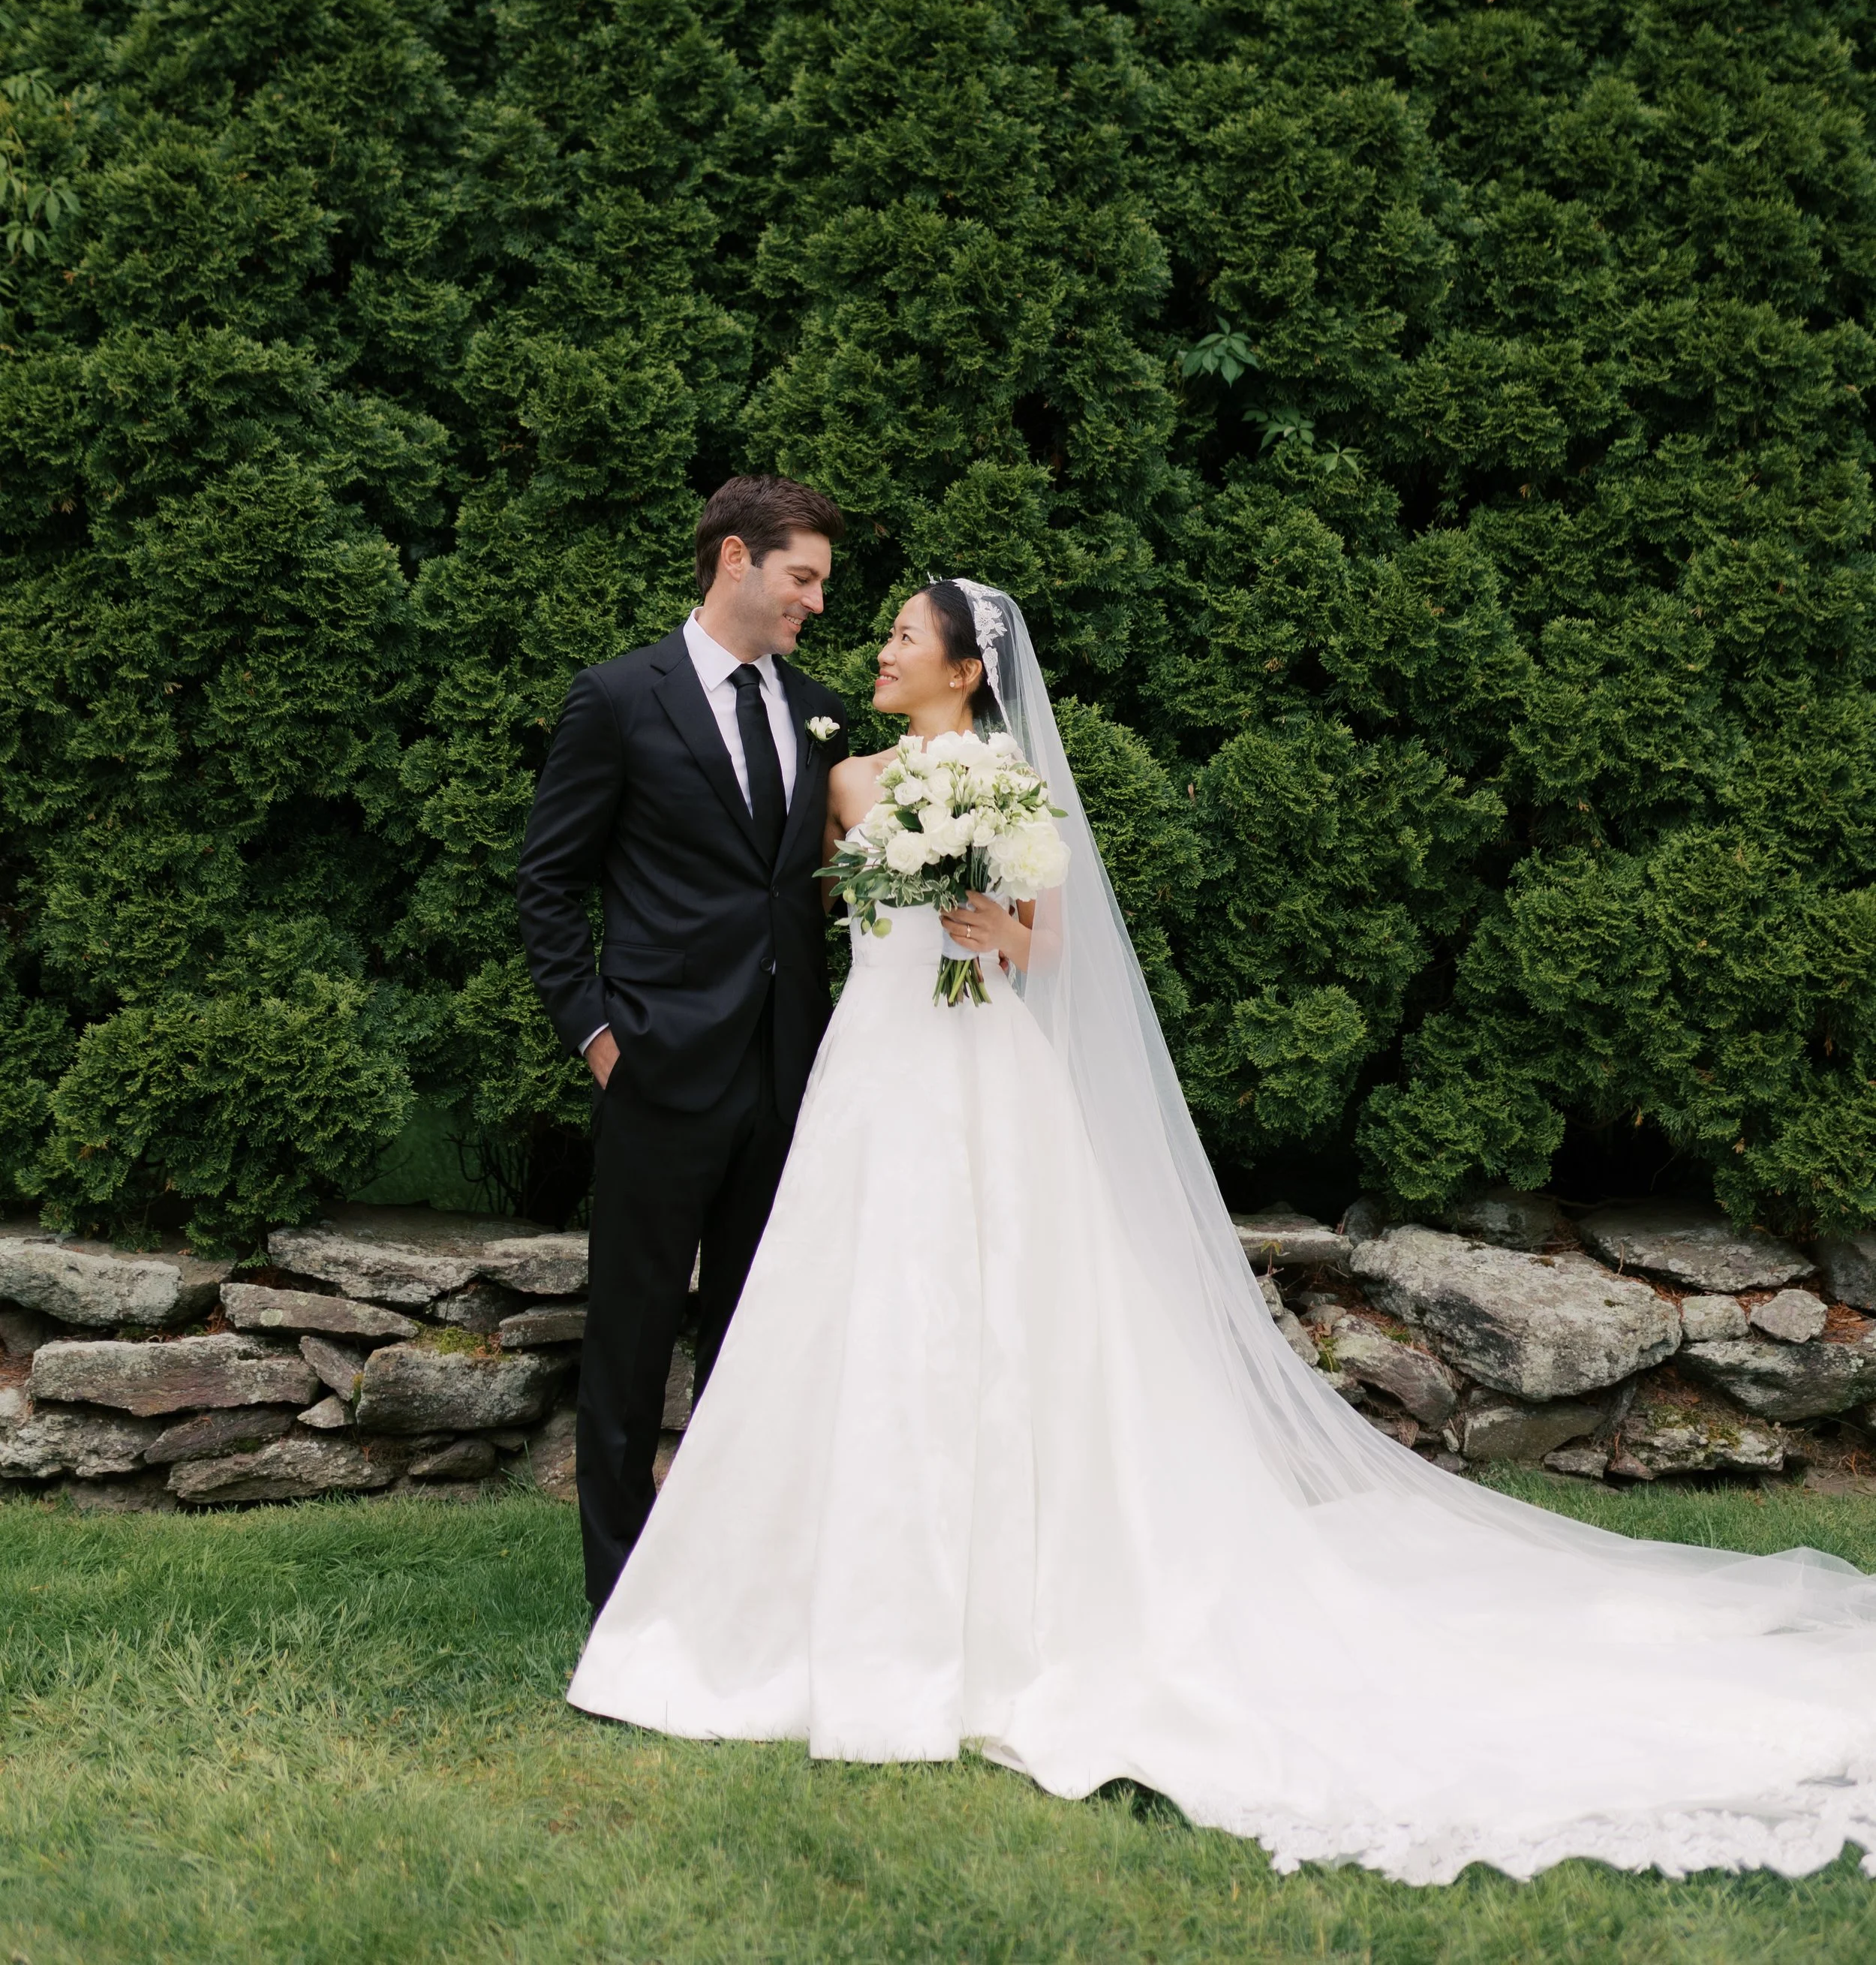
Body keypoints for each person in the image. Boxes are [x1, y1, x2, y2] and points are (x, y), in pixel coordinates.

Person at [567, 574, 1876, 1885]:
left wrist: (994, 926)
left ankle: (1011, 1610)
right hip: (870, 1075)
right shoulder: (843, 780)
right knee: (852, 1318)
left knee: (1010, 1320)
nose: (880, 646)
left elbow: (1046, 949)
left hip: (984, 1075)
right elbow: (757, 903)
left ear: (968, 670)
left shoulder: (1015, 784)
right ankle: (805, 1595)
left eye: (905, 633)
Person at [516, 474, 849, 1611]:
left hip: (785, 1075)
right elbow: (548, 883)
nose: (814, 601)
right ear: (734, 562)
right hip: (659, 1071)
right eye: (802, 577)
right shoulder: (616, 698)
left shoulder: (823, 709)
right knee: (630, 1341)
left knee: (751, 1346)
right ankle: (619, 1597)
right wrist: (601, 1038)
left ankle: (721, 1582)